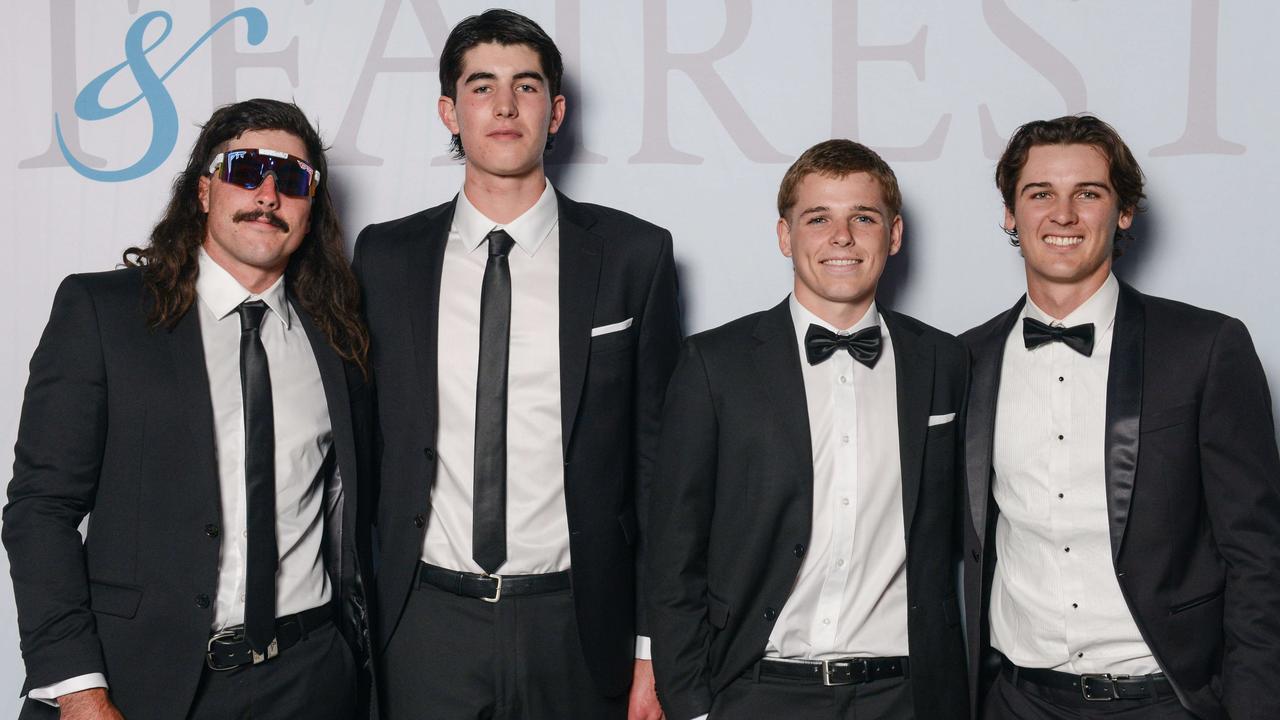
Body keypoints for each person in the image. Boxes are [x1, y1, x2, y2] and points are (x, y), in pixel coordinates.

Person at [352, 9, 679, 719]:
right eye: (481, 86)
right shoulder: (384, 257)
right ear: (450, 109)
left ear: (555, 111)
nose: (504, 106)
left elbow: (659, 469)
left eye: (526, 87)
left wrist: (654, 646)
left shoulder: (633, 256)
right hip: (423, 620)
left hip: (578, 621)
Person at [3, 98, 375, 720]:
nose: (266, 194)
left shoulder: (338, 338)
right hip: (138, 682)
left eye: (292, 179)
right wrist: (78, 688)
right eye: (245, 169)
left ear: (312, 211)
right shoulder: (104, 313)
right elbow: (42, 510)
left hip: (310, 681)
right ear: (203, 190)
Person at [961, 114, 1280, 720]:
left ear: (1124, 211)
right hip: (1014, 702)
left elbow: (1257, 555)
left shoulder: (1206, 348)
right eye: (1039, 194)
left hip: (1166, 701)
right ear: (1010, 214)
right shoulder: (966, 360)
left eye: (1088, 193)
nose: (1063, 214)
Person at [648, 139, 969, 720]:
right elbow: (674, 549)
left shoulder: (946, 363)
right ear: (784, 236)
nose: (841, 237)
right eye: (818, 218)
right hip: (756, 691)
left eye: (863, 218)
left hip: (906, 696)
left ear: (894, 236)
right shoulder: (713, 365)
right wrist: (691, 704)